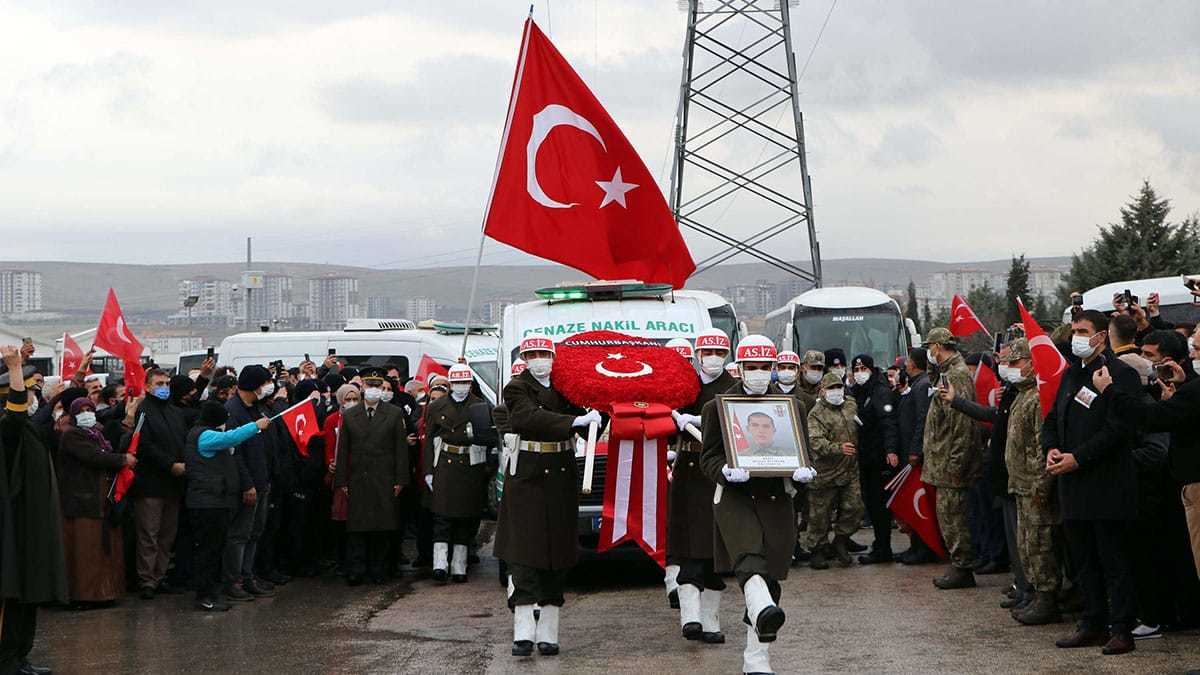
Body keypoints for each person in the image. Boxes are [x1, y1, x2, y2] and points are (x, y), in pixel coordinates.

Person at [700, 335, 816, 675]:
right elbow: (708, 456)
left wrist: (804, 472)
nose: (759, 373)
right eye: (752, 367)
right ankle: (761, 628)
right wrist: (723, 470)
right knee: (749, 560)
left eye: (766, 366)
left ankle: (756, 657)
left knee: (772, 578)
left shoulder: (792, 407)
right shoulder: (716, 407)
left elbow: (803, 452)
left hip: (777, 500)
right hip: (736, 497)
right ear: (739, 367)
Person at [1043, 309, 1139, 655]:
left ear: (1101, 336)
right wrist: (1052, 447)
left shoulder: (1121, 375)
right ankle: (1092, 622)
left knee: (1114, 561)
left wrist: (1078, 458)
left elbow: (1119, 429)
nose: (1075, 337)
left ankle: (1122, 629)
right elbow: (1054, 417)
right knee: (1083, 560)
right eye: (1073, 330)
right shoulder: (1072, 374)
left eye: (1082, 330)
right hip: (1073, 486)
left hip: (1106, 484)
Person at [494, 336, 591, 658]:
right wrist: (573, 421)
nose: (539, 360)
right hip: (529, 476)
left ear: (553, 357)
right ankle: (523, 631)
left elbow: (589, 417)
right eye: (532, 355)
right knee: (525, 552)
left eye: (544, 354)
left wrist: (597, 409)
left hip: (561, 474)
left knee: (557, 553)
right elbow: (525, 418)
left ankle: (549, 631)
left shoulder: (567, 386)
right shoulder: (517, 387)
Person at [0, 345, 67, 675]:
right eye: (27, 392)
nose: (31, 398)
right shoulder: (7, 428)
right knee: (11, 600)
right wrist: (15, 368)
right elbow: (13, 414)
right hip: (11, 531)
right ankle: (7, 660)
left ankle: (20, 657)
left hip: (30, 528)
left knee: (29, 597)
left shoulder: (29, 428)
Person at [668, 327, 732, 644]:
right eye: (707, 353)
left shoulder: (731, 387)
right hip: (687, 471)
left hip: (715, 471)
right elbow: (660, 420)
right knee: (686, 546)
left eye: (719, 353)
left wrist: (697, 421)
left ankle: (710, 621)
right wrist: (672, 420)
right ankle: (690, 617)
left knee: (712, 550)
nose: (713, 359)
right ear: (697, 355)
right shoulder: (683, 386)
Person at [185, 402, 271, 611]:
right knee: (208, 551)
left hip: (216, 501)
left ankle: (211, 592)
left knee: (214, 550)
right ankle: (205, 596)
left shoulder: (205, 434)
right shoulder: (204, 436)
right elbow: (229, 438)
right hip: (207, 503)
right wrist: (255, 426)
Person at [333, 367, 410, 585]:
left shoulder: (394, 413)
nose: (374, 390)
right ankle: (357, 570)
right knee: (357, 529)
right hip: (358, 478)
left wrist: (400, 479)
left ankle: (378, 570)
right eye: (370, 386)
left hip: (384, 478)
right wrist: (342, 481)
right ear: (363, 387)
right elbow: (343, 451)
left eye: (378, 386)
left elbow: (400, 450)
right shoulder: (350, 415)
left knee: (381, 528)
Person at [922, 327, 983, 590]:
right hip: (943, 461)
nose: (929, 352)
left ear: (938, 347)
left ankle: (962, 566)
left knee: (953, 517)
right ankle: (959, 563)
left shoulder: (957, 375)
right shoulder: (946, 372)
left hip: (951, 463)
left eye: (930, 347)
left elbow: (962, 424)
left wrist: (957, 462)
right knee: (948, 516)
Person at [57, 397, 133, 606]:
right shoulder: (71, 435)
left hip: (100, 500)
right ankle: (84, 595)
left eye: (90, 408)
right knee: (85, 551)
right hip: (82, 501)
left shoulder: (97, 434)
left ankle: (104, 593)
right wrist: (122, 459)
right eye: (81, 410)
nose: (87, 413)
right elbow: (94, 457)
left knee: (103, 550)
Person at [423, 364, 490, 583]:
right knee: (442, 516)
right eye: (457, 383)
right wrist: (428, 471)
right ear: (450, 384)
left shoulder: (480, 406)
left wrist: (486, 470)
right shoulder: (437, 406)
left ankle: (459, 565)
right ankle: (439, 564)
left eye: (465, 382)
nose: (461, 386)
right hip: (445, 463)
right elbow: (429, 441)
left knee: (465, 516)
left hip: (470, 464)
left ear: (470, 384)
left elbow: (487, 441)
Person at [127, 367, 189, 599]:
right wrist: (169, 464)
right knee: (149, 535)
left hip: (174, 484)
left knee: (166, 535)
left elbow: (181, 440)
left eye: (166, 383)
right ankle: (147, 580)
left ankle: (159, 576)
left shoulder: (174, 412)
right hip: (151, 483)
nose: (164, 388)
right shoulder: (143, 410)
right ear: (148, 386)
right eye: (159, 383)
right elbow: (143, 444)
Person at [223, 365, 278, 600]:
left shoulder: (256, 409)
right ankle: (233, 580)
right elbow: (235, 453)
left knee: (255, 533)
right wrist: (247, 484)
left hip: (262, 479)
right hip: (246, 485)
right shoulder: (233, 411)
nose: (269, 387)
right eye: (266, 382)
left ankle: (248, 575)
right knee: (239, 535)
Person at [804, 372, 863, 570]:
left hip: (849, 470)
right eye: (831, 388)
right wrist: (837, 448)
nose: (836, 392)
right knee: (820, 515)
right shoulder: (816, 413)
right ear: (822, 391)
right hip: (825, 472)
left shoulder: (850, 405)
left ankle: (840, 540)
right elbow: (815, 441)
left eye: (838, 387)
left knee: (854, 508)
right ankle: (817, 550)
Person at [849, 354, 900, 565]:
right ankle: (880, 545)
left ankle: (883, 547)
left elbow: (888, 422)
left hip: (879, 457)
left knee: (879, 505)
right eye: (856, 369)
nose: (860, 373)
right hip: (867, 456)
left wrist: (891, 450)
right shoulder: (860, 391)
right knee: (871, 503)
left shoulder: (879, 391)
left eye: (863, 369)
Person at [897, 348, 936, 565]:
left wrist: (915, 450)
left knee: (919, 502)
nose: (906, 365)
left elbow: (922, 419)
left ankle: (923, 548)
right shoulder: (917, 384)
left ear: (915, 364)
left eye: (909, 361)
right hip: (908, 450)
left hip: (916, 454)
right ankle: (914, 546)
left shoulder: (922, 386)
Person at [772, 350, 813, 415]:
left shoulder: (809, 400)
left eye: (791, 368)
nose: (786, 370)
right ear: (776, 370)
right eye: (782, 367)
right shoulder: (768, 394)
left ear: (798, 371)